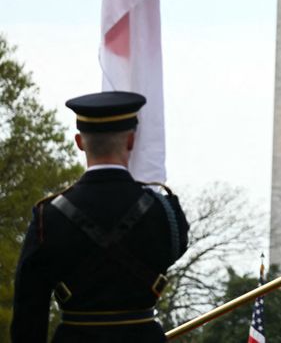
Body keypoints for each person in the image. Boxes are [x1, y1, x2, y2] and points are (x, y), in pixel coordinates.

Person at [10, 91, 189, 343]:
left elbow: (29, 310)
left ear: (79, 142)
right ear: (130, 141)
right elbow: (174, 250)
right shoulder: (163, 211)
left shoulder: (47, 216)